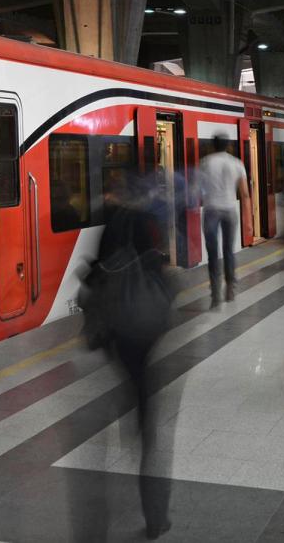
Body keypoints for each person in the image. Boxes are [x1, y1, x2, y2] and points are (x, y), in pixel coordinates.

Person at [78, 175, 177, 540]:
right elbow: (159, 271)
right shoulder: (147, 223)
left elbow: (97, 276)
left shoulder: (109, 225)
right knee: (147, 419)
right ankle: (155, 517)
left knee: (130, 383)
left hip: (117, 329)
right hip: (143, 330)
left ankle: (131, 413)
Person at [196, 134, 249, 306]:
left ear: (213, 146)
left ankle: (215, 293)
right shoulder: (236, 163)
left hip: (211, 210)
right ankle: (231, 288)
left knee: (213, 253)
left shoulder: (204, 162)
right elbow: (245, 194)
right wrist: (248, 220)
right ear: (228, 146)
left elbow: (198, 189)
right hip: (229, 210)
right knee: (228, 250)